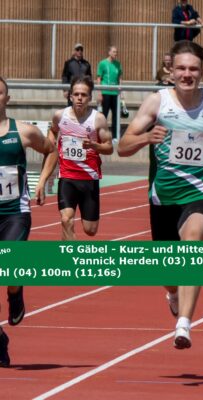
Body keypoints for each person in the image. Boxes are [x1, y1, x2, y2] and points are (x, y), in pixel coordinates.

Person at [118, 40, 203, 349]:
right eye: (181, 68)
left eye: (193, 69)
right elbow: (122, 147)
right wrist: (144, 138)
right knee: (168, 272)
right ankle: (173, 293)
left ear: (202, 71)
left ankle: (184, 324)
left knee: (192, 245)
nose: (187, 74)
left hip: (202, 189)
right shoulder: (156, 103)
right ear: (171, 71)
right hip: (164, 195)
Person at [0, 76, 54, 367]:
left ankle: (15, 291)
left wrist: (42, 182)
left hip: (14, 214)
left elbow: (51, 150)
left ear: (7, 98)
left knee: (8, 270)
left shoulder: (22, 132)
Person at [35, 76, 113, 240]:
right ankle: (71, 258)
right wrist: (51, 144)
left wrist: (94, 146)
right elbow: (53, 130)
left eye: (83, 95)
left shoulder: (98, 119)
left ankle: (66, 244)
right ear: (70, 96)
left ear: (90, 97)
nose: (79, 98)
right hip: (67, 177)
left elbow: (109, 147)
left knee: (90, 230)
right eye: (76, 94)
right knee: (66, 220)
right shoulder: (60, 116)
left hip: (89, 179)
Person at [96, 46, 123, 141]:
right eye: (114, 52)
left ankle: (115, 136)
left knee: (116, 115)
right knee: (104, 115)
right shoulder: (103, 63)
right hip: (105, 92)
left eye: (116, 52)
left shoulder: (118, 64)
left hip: (115, 93)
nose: (115, 53)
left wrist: (120, 91)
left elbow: (119, 77)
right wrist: (99, 92)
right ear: (109, 52)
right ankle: (101, 135)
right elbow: (99, 78)